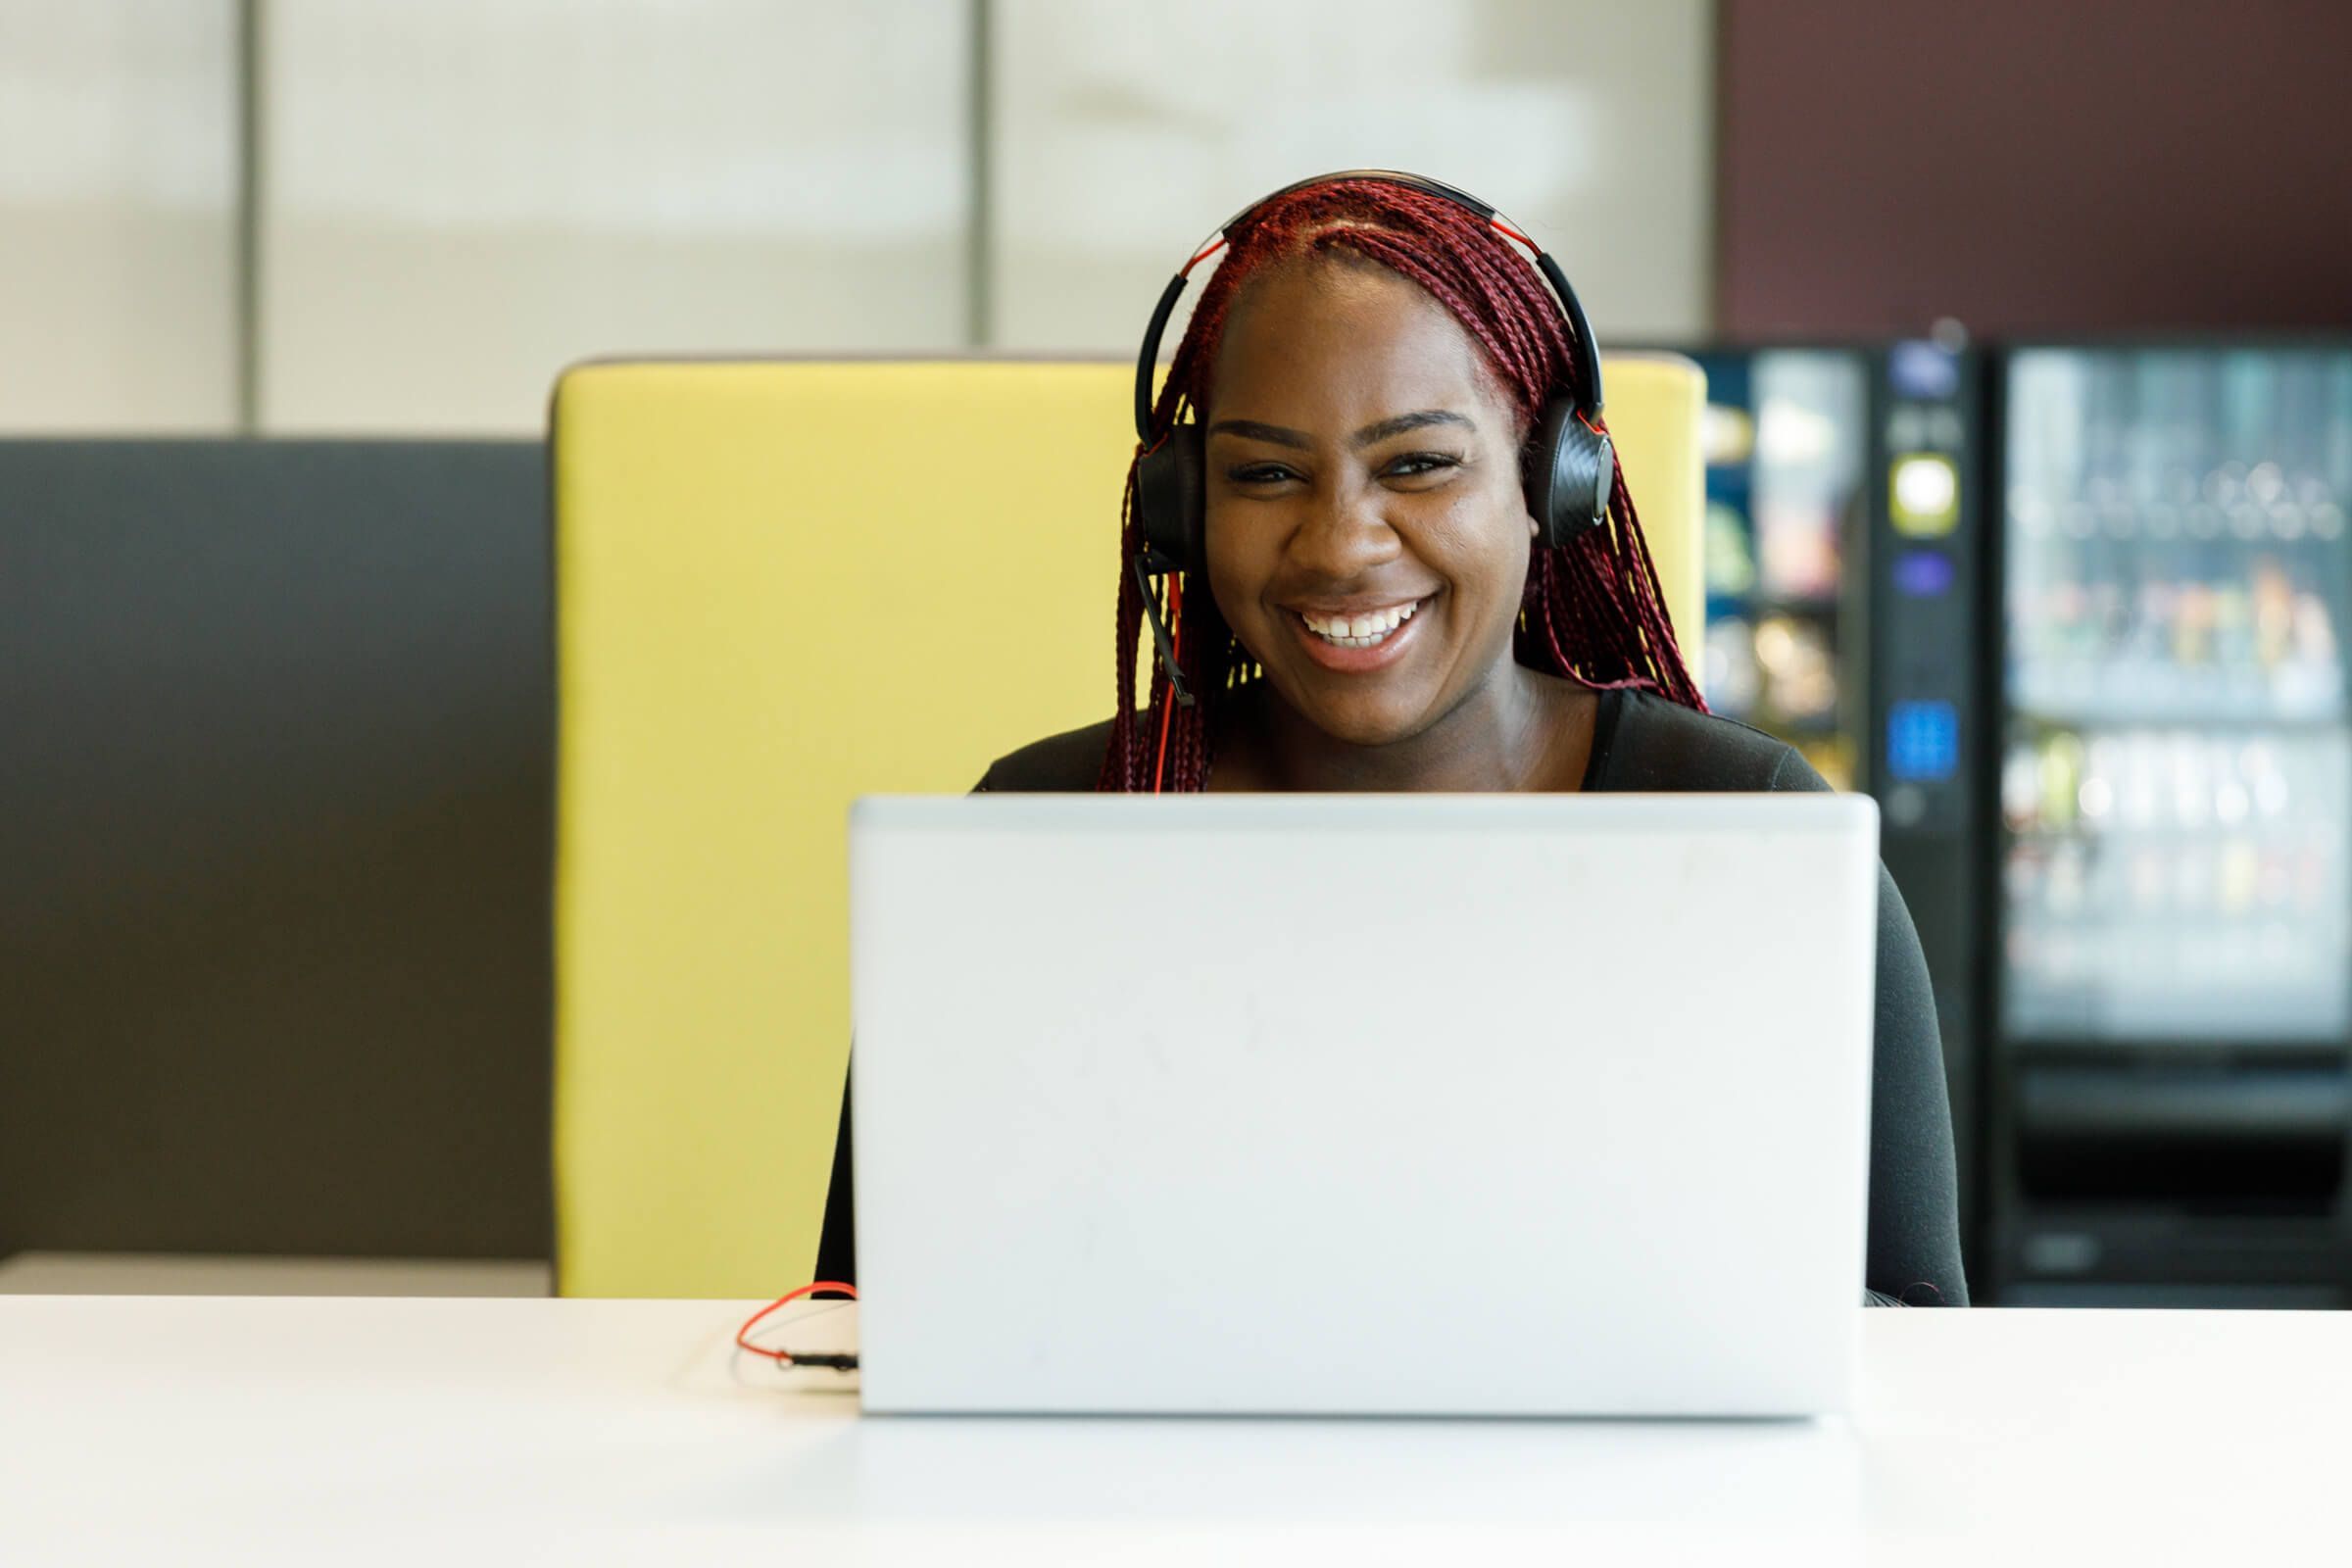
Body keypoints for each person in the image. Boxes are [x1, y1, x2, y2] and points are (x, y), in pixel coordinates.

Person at [819, 172, 1966, 1306]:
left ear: (1547, 483)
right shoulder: (1039, 835)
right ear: (1182, 509)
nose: (1341, 545)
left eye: (1418, 463)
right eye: (1265, 473)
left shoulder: (1753, 838)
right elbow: (865, 1315)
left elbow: (1922, 1355)